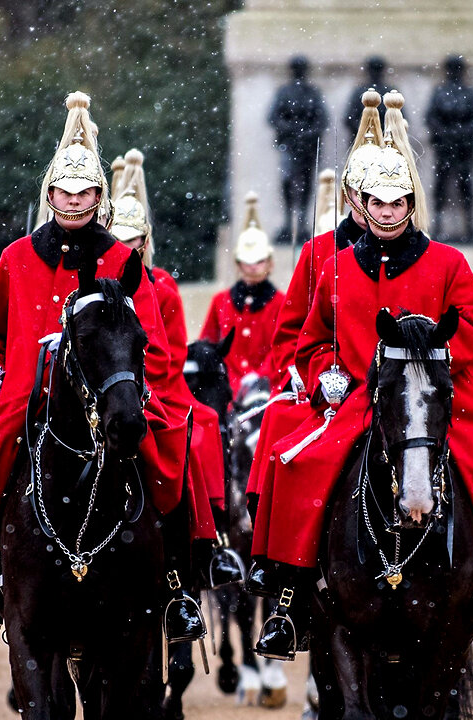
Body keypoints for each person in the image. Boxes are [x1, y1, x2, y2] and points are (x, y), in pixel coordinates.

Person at [251, 91, 473, 661]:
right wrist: (325, 378)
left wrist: (434, 356)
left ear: (412, 204)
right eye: (378, 204)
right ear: (363, 206)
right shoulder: (337, 269)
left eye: (399, 203)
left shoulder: (447, 261)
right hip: (363, 397)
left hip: (441, 389)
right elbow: (312, 340)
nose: (389, 212)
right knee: (301, 462)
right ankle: (290, 600)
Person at [0, 92, 212, 653]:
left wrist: (129, 381)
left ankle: (180, 588)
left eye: (86, 192)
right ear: (50, 194)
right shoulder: (17, 258)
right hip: (28, 397)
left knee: (174, 448)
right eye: (64, 191)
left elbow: (154, 345)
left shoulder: (122, 261)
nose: (75, 201)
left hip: (109, 397)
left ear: (99, 197)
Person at [245, 89, 384, 593]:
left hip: (405, 387)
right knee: (281, 428)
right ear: (352, 196)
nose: (380, 208)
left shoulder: (427, 250)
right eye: (369, 195)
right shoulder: (318, 253)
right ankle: (276, 557)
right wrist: (321, 374)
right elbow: (292, 335)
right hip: (335, 391)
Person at [110, 149, 242, 587]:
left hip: (157, 388)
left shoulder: (160, 286)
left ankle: (210, 538)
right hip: (108, 388)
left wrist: (137, 379)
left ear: (143, 243)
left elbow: (170, 353)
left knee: (201, 428)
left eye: (131, 243)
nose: (124, 250)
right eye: (117, 241)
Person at [200, 194, 286, 395]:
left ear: (270, 263)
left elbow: (282, 347)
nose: (253, 267)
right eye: (247, 262)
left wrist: (261, 375)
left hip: (268, 390)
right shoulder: (220, 301)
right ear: (238, 264)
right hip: (226, 391)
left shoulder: (282, 302)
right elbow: (208, 344)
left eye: (259, 261)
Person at [268, 55, 329, 245]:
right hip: (289, 145)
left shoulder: (312, 92)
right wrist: (292, 130)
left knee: (307, 183)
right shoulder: (284, 92)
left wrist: (307, 133)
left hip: (307, 146)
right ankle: (288, 222)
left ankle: (302, 223)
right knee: (287, 181)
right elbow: (273, 117)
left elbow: (322, 120)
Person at [426, 55, 473, 245]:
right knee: (441, 187)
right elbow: (431, 117)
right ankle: (438, 225)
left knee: (465, 187)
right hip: (445, 146)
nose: (454, 72)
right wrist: (445, 132)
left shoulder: (469, 92)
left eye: (457, 68)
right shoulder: (440, 92)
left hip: (464, 147)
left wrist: (462, 132)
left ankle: (469, 226)